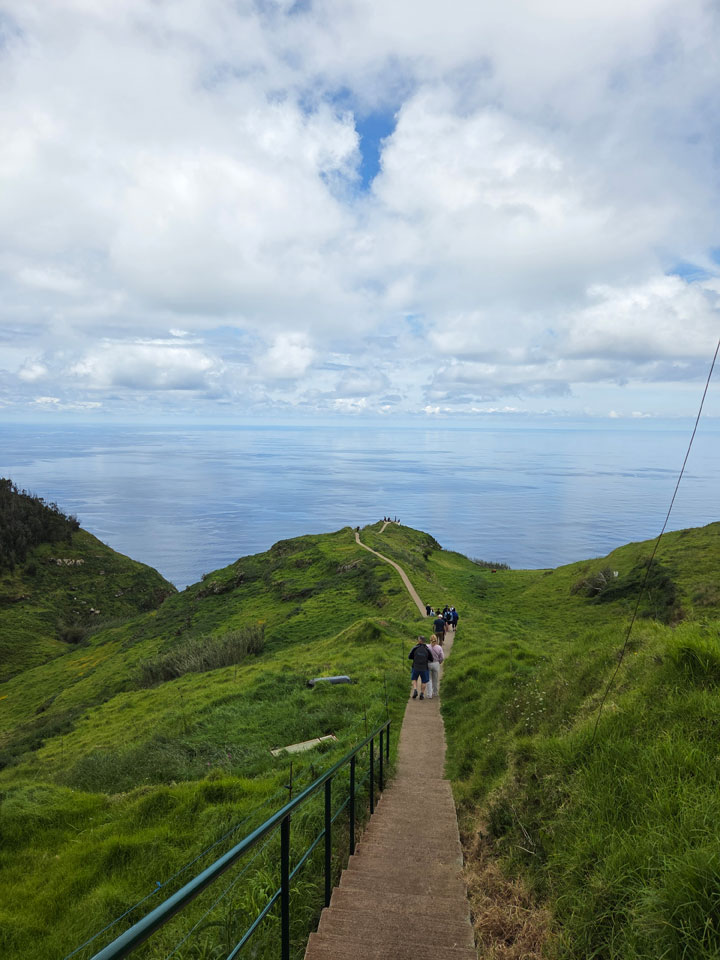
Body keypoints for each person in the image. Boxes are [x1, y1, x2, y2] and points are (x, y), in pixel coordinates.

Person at [408, 635, 434, 700]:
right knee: (424, 681)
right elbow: (431, 659)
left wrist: (415, 657)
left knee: (414, 679)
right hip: (424, 667)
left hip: (415, 666)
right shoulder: (427, 649)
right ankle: (422, 694)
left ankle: (415, 690)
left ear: (419, 641)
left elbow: (409, 656)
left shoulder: (415, 648)